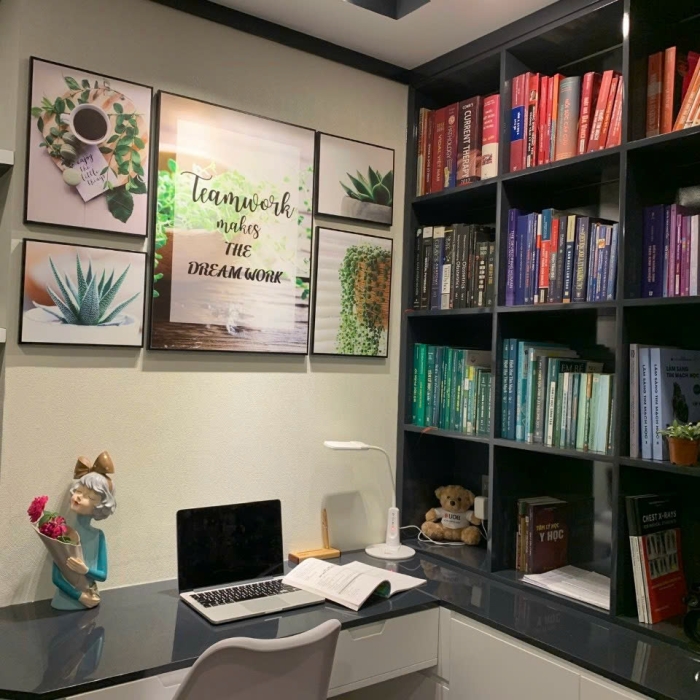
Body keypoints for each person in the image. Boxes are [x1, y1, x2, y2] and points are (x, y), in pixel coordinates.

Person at [52, 452, 117, 610]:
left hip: (91, 599)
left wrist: (85, 570)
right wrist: (80, 597)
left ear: (101, 506)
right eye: (79, 491)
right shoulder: (63, 533)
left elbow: (103, 575)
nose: (79, 497)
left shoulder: (98, 536)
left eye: (90, 497)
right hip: (64, 601)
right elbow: (56, 577)